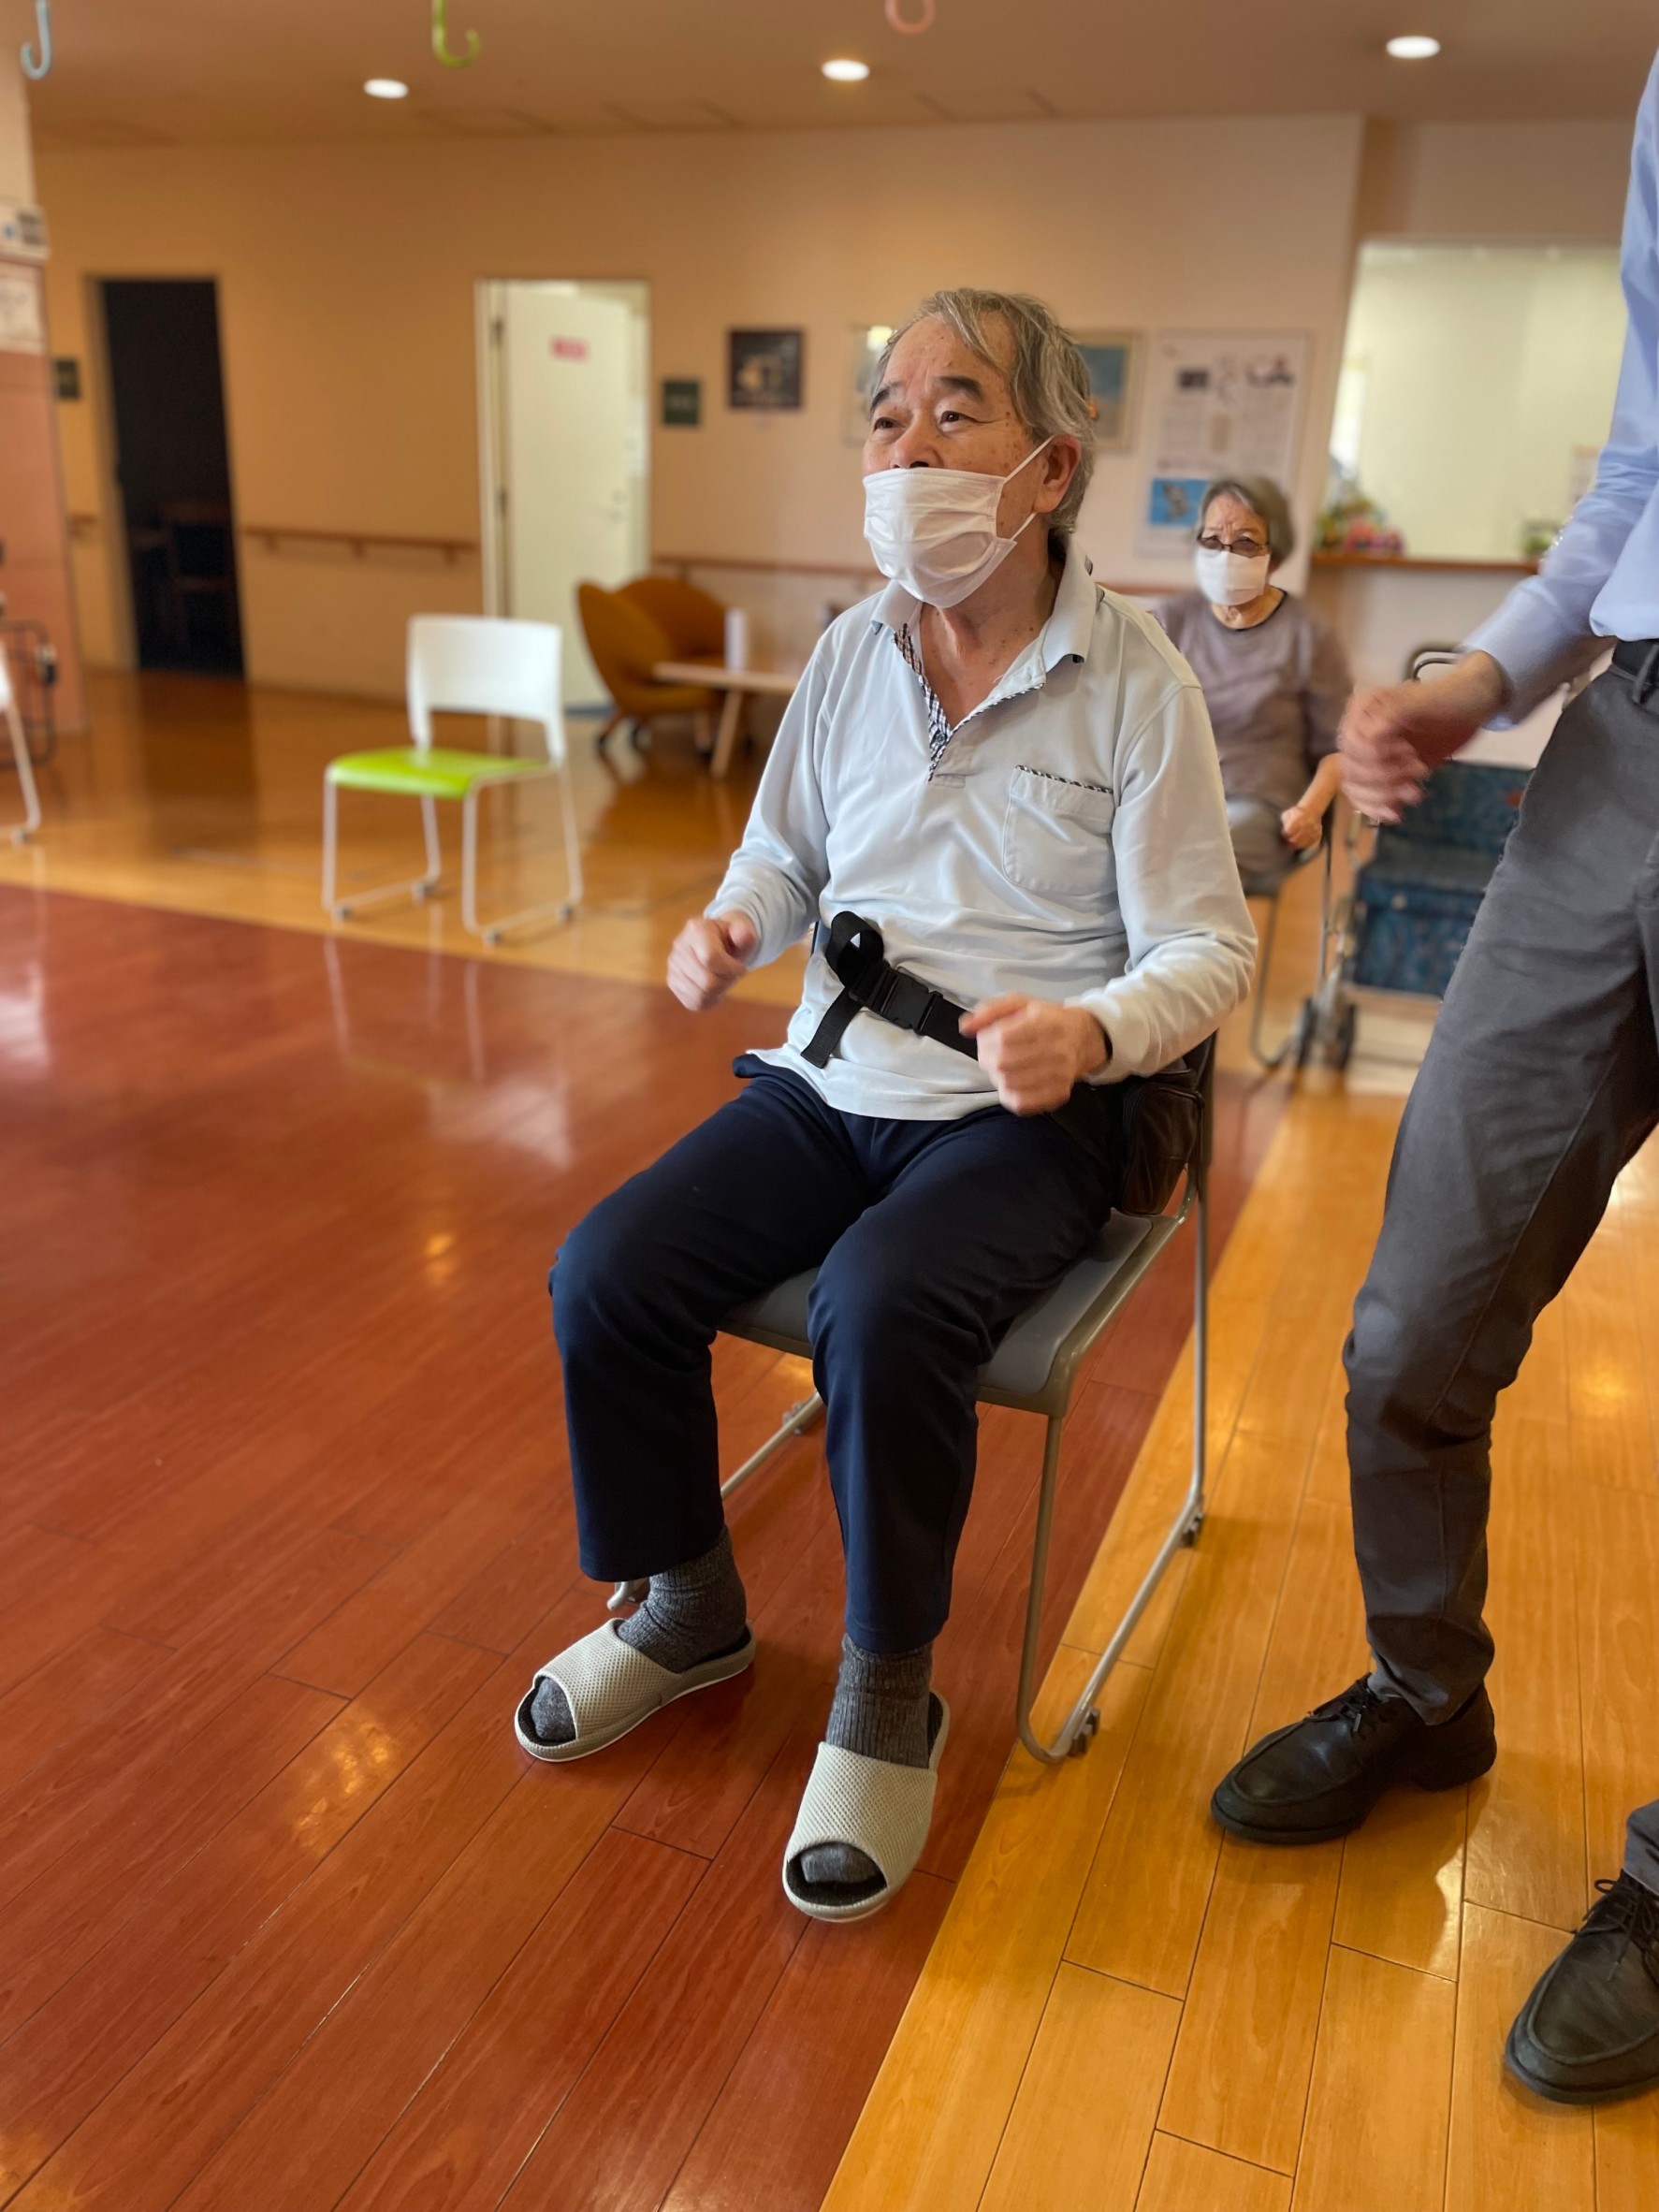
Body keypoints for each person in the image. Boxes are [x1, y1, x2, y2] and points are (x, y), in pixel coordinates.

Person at [517, 287, 1254, 1925]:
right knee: (606, 1269)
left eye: (954, 409)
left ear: (1050, 466)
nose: (906, 446)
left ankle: (885, 1688)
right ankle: (685, 1605)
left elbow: (1209, 948)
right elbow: (782, 850)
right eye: (883, 416)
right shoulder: (852, 651)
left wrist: (1092, 1028)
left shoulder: (1138, 683)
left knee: (880, 1302)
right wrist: (735, 920)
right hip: (826, 1081)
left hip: (1019, 1117)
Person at [1211, 53, 1659, 2106]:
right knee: (1409, 1321)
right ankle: (1423, 1685)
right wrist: (1475, 679)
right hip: (1622, 747)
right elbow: (1634, 473)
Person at [1156, 476, 1349, 888]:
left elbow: (1339, 749)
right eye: (1212, 541)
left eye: (1245, 542)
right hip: (1172, 795)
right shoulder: (1173, 620)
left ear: (1274, 555)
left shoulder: (1306, 634)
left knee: (1193, 863)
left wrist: (1310, 812)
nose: (1225, 556)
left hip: (1262, 804)